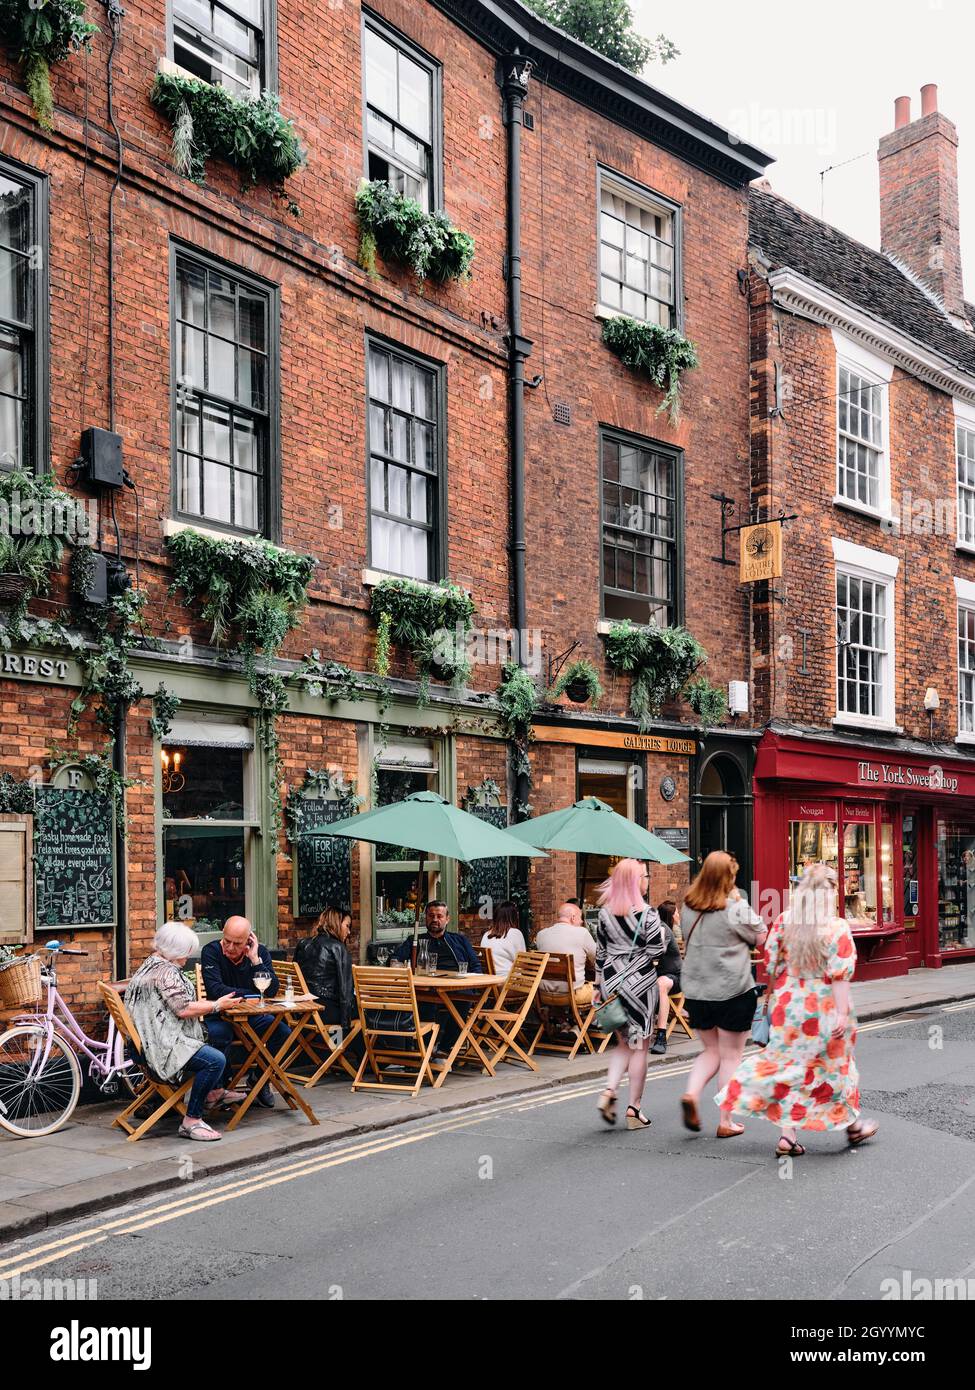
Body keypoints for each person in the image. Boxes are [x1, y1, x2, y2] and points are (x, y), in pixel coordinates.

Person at [716, 862, 879, 1155]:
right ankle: (853, 1128)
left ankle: (787, 1137)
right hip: (824, 1006)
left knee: (790, 1069)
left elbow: (770, 962)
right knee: (835, 1070)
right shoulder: (836, 927)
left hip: (789, 1006)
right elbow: (840, 975)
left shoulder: (784, 920)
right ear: (829, 892)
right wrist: (842, 1013)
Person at [125, 922, 245, 1142]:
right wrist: (217, 1005)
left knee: (222, 1032)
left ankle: (213, 1091)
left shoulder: (150, 964)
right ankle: (191, 1120)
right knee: (214, 1061)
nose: (187, 957)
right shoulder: (166, 973)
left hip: (147, 1042)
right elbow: (183, 1009)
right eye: (185, 952)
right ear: (175, 951)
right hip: (162, 1046)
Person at [678, 851, 767, 1137]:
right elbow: (761, 936)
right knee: (730, 1056)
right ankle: (725, 1121)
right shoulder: (735, 907)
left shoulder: (689, 906)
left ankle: (691, 1093)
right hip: (732, 990)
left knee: (710, 1050)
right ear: (728, 877)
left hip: (696, 990)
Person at [593, 859, 664, 1130]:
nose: (647, 881)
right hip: (640, 985)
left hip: (612, 981)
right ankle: (634, 1108)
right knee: (640, 1047)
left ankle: (609, 1090)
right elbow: (657, 951)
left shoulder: (604, 913)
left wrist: (599, 986)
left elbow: (600, 953)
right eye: (645, 877)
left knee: (623, 1043)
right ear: (637, 882)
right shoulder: (648, 914)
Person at [201, 916, 291, 1108]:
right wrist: (253, 994)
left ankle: (259, 1080)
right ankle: (219, 1089)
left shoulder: (260, 954)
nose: (231, 948)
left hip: (251, 1017)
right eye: (227, 941)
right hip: (220, 1015)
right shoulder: (211, 952)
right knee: (219, 1034)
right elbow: (216, 989)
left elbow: (271, 990)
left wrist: (255, 961)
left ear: (249, 940)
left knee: (283, 1033)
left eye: (237, 943)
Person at [294, 906, 356, 1032]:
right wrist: (344, 1026)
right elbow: (346, 991)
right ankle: (338, 1047)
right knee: (368, 1013)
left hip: (303, 1011)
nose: (349, 932)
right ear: (337, 923)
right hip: (326, 1012)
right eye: (347, 926)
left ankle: (335, 1047)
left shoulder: (303, 944)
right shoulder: (338, 948)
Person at [392, 901, 482, 972]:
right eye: (431, 916)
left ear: (447, 919)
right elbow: (395, 959)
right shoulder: (414, 940)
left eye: (439, 916)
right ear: (425, 918)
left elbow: (475, 965)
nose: (435, 919)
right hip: (426, 989)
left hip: (458, 988)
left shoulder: (460, 940)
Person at [536, 901, 596, 1003]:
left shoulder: (541, 935)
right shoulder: (582, 933)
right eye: (580, 917)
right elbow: (598, 959)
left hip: (543, 995)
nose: (582, 921)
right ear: (573, 917)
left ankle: (561, 1017)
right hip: (572, 996)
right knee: (608, 988)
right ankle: (592, 1019)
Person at [649, 899, 682, 1056]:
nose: (678, 915)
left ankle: (661, 1036)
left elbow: (656, 951)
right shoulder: (655, 928)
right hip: (659, 974)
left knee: (660, 984)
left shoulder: (663, 929)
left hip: (676, 977)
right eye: (677, 912)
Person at [479, 900, 526, 979]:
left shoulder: (486, 935)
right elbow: (522, 961)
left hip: (489, 981)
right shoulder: (515, 933)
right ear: (513, 917)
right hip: (508, 981)